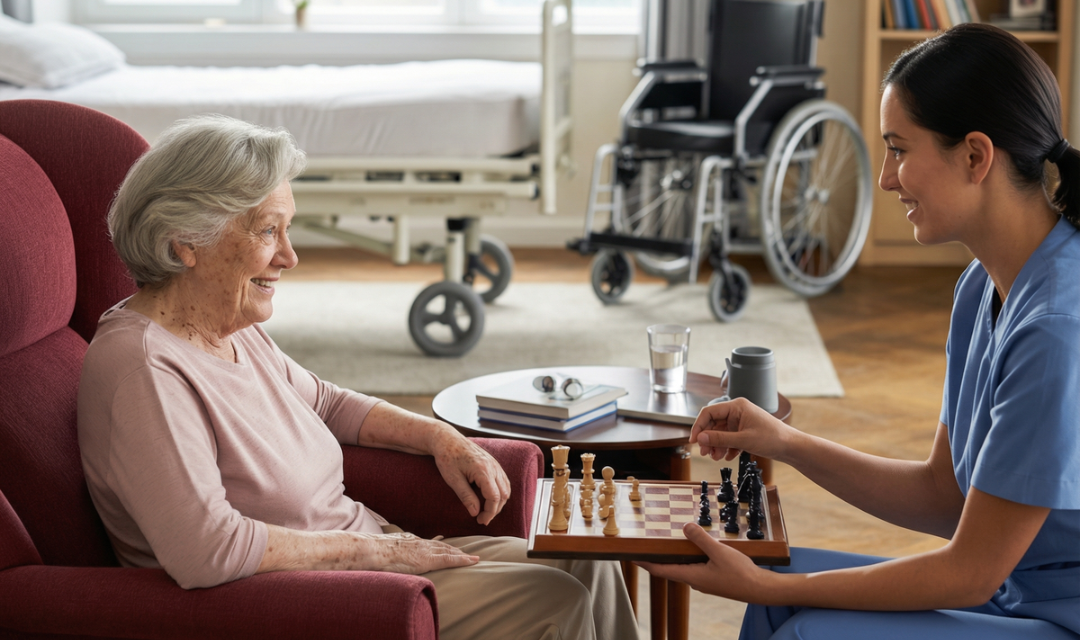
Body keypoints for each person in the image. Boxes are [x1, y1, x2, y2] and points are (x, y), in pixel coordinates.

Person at [77, 114, 638, 640]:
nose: (290, 257)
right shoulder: (144, 368)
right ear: (186, 242)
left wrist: (442, 439)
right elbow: (207, 550)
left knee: (586, 556)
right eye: (269, 231)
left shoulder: (225, 325)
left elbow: (325, 402)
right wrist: (380, 556)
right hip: (307, 596)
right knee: (553, 597)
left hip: (371, 557)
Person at [638, 23, 1080, 640]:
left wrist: (770, 584)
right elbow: (941, 495)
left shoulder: (1057, 328)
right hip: (1009, 592)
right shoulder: (982, 286)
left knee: (792, 617)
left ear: (976, 156)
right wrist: (783, 443)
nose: (886, 178)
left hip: (1054, 615)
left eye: (899, 149)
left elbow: (971, 571)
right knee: (776, 601)